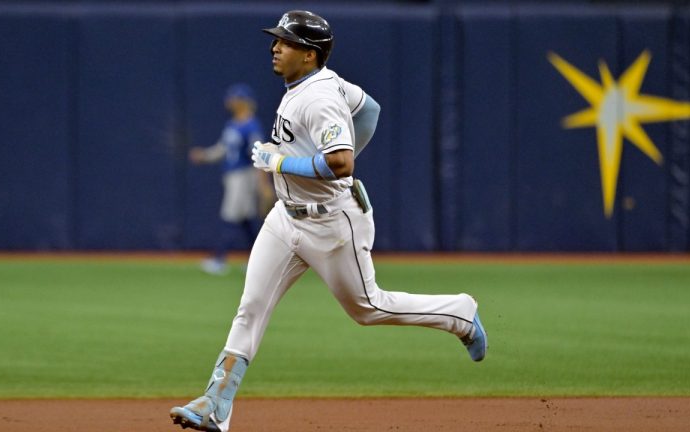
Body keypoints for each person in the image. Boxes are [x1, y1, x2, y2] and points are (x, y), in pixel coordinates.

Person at [170, 10, 487, 432]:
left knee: (367, 308)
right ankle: (216, 403)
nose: (275, 47)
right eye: (276, 39)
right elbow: (369, 110)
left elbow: (341, 162)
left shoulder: (317, 97)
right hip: (286, 218)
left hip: (332, 224)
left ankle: (460, 314)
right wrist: (290, 164)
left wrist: (279, 160)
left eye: (286, 41)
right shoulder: (315, 84)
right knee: (250, 307)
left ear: (310, 53)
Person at [189, 84, 273, 275]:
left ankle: (219, 259)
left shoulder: (252, 125)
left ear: (243, 101)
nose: (230, 102)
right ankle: (257, 260)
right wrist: (204, 156)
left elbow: (259, 154)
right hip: (232, 175)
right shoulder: (232, 124)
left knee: (231, 214)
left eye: (234, 98)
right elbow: (222, 149)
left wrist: (263, 182)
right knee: (245, 218)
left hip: (245, 175)